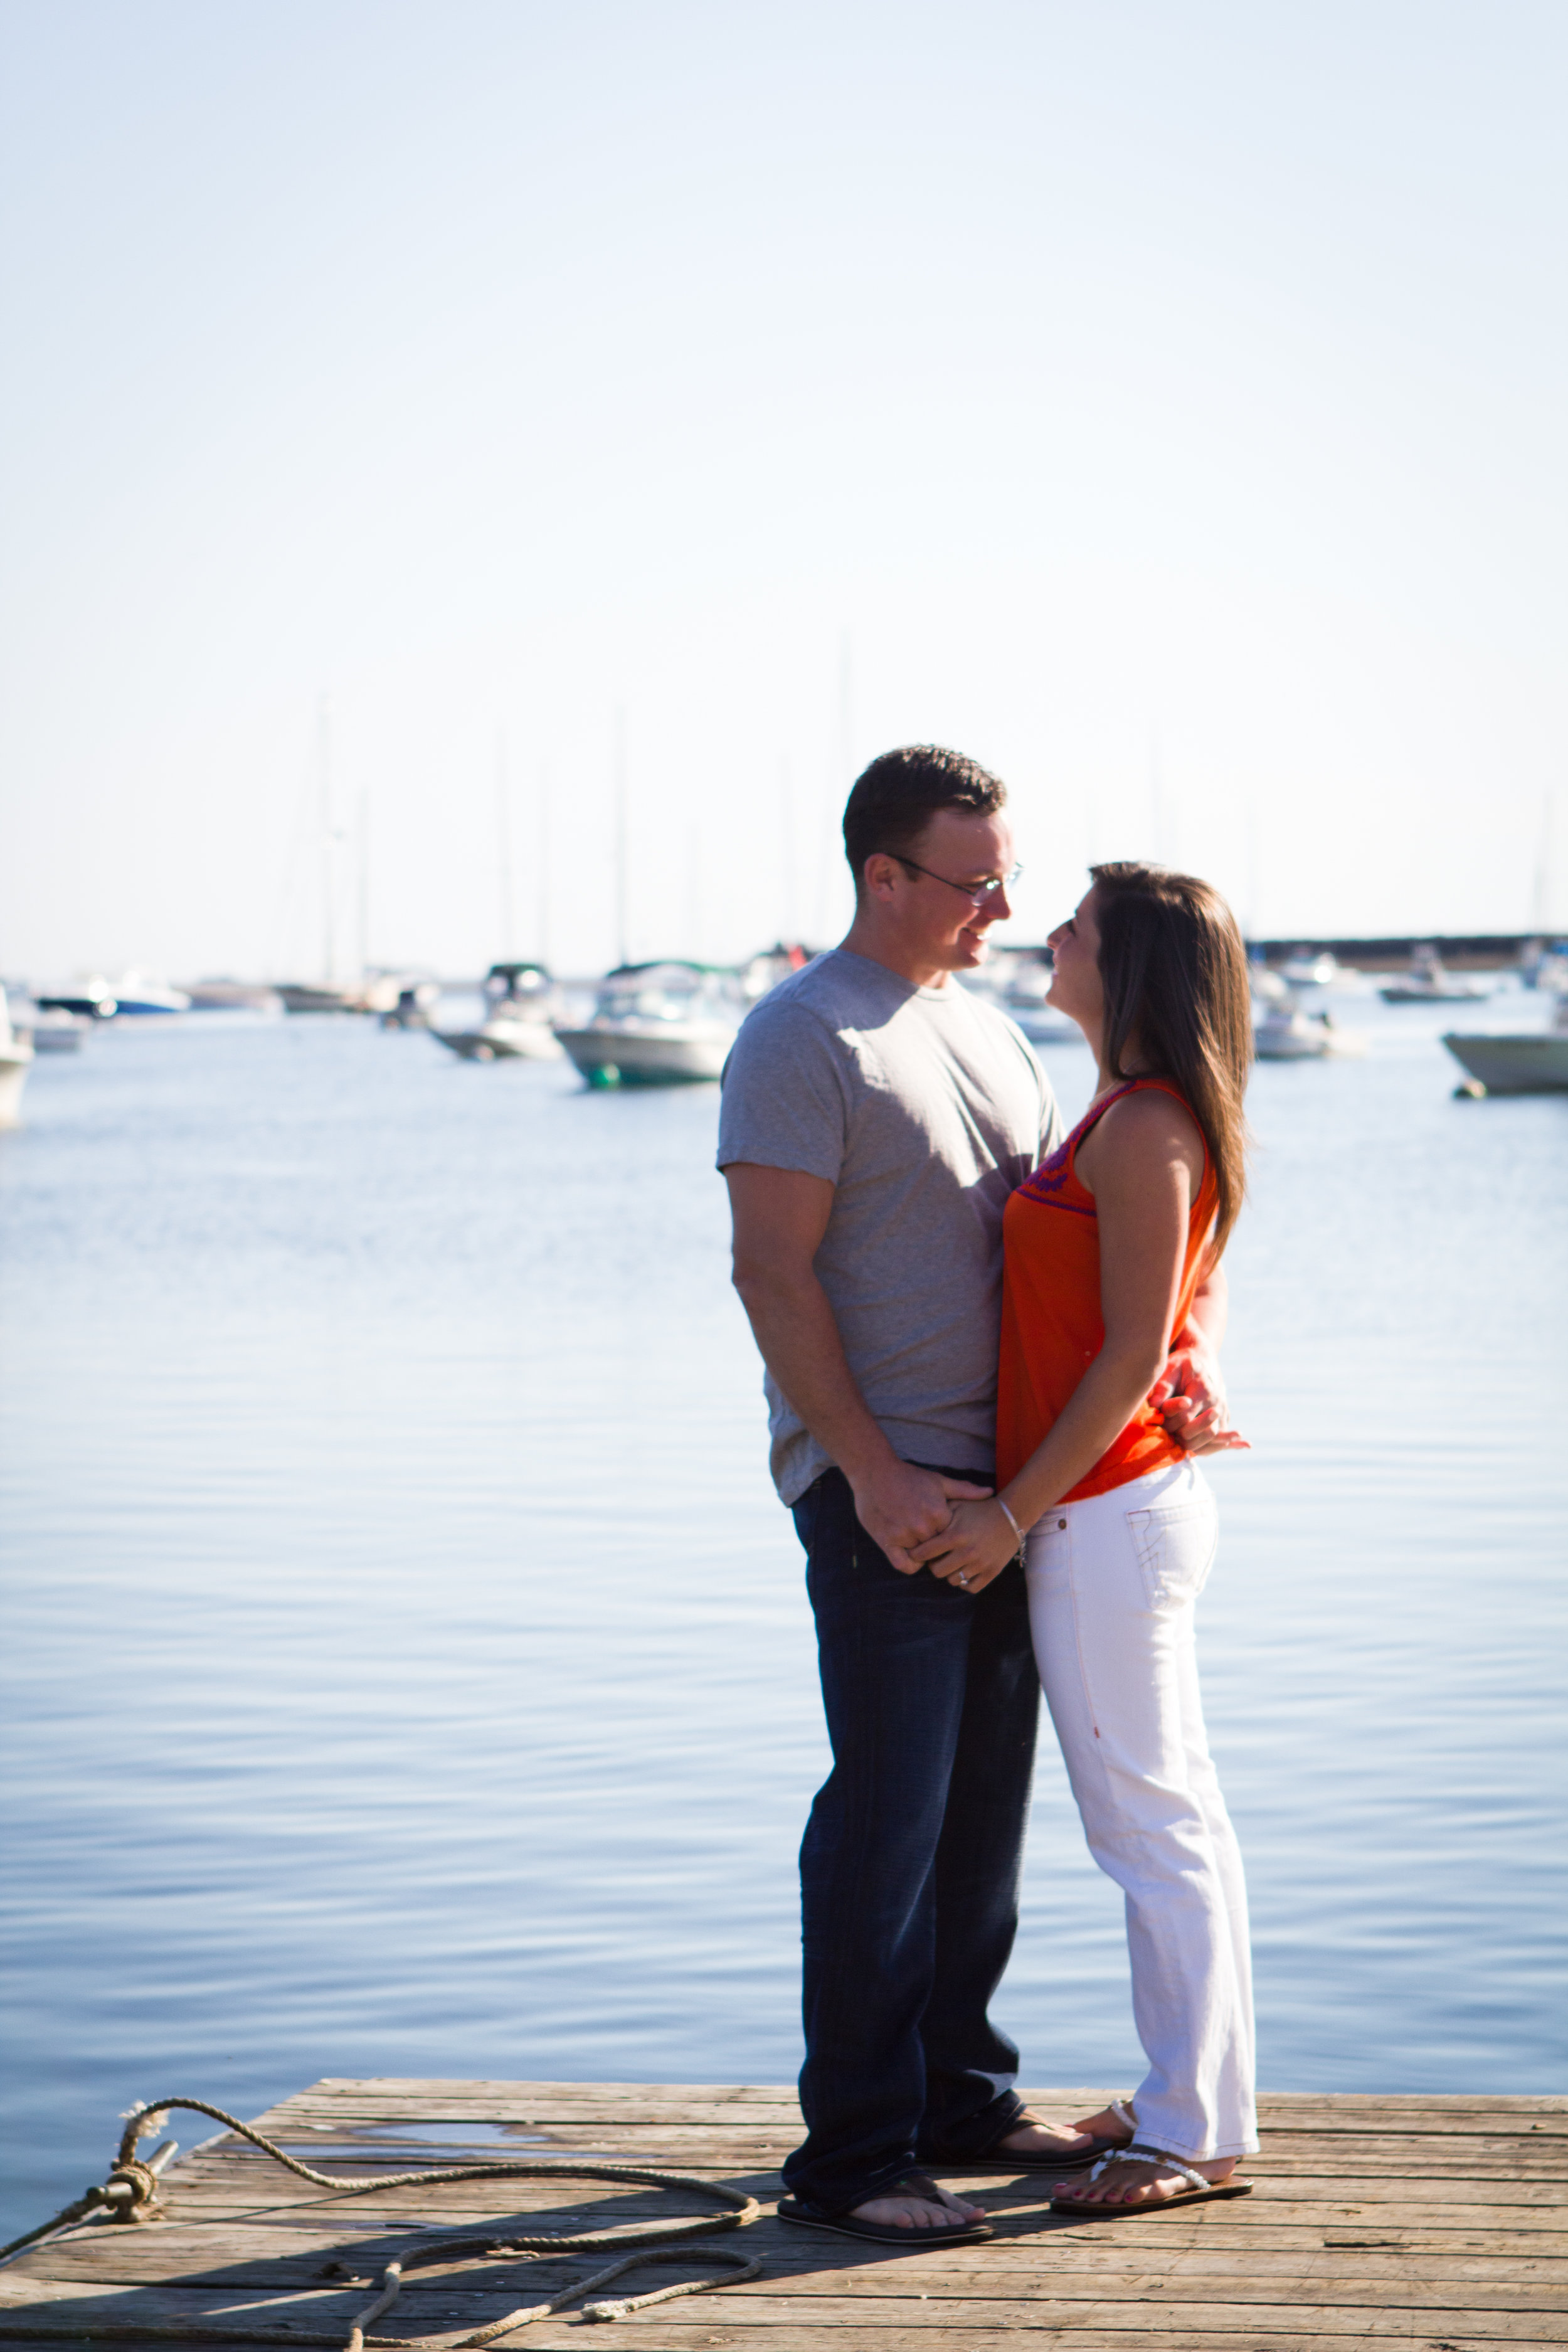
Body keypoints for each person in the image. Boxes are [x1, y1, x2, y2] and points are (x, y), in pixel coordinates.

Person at [718, 761, 1234, 2245]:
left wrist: (1153, 1383)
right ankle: (856, 2154)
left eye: (1011, 882)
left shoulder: (992, 1030)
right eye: (970, 883)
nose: (1003, 911)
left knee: (977, 1823)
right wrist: (870, 1471)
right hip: (888, 1497)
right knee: (882, 1820)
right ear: (884, 878)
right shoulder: (796, 1038)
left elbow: (1079, 1257)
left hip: (1018, 1495)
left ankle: (956, 2093)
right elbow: (770, 1271)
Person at [909, 861, 1259, 2218]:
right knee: (1169, 1818)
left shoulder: (1144, 1126)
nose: (1044, 935)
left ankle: (1188, 2134)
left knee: (1149, 1826)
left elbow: (1123, 1351)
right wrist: (1201, 1352)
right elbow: (1191, 1293)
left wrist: (1007, 1514)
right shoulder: (1121, 1113)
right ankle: (1196, 2093)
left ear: (1127, 970)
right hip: (1108, 1506)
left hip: (1105, 1512)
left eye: (1073, 927)